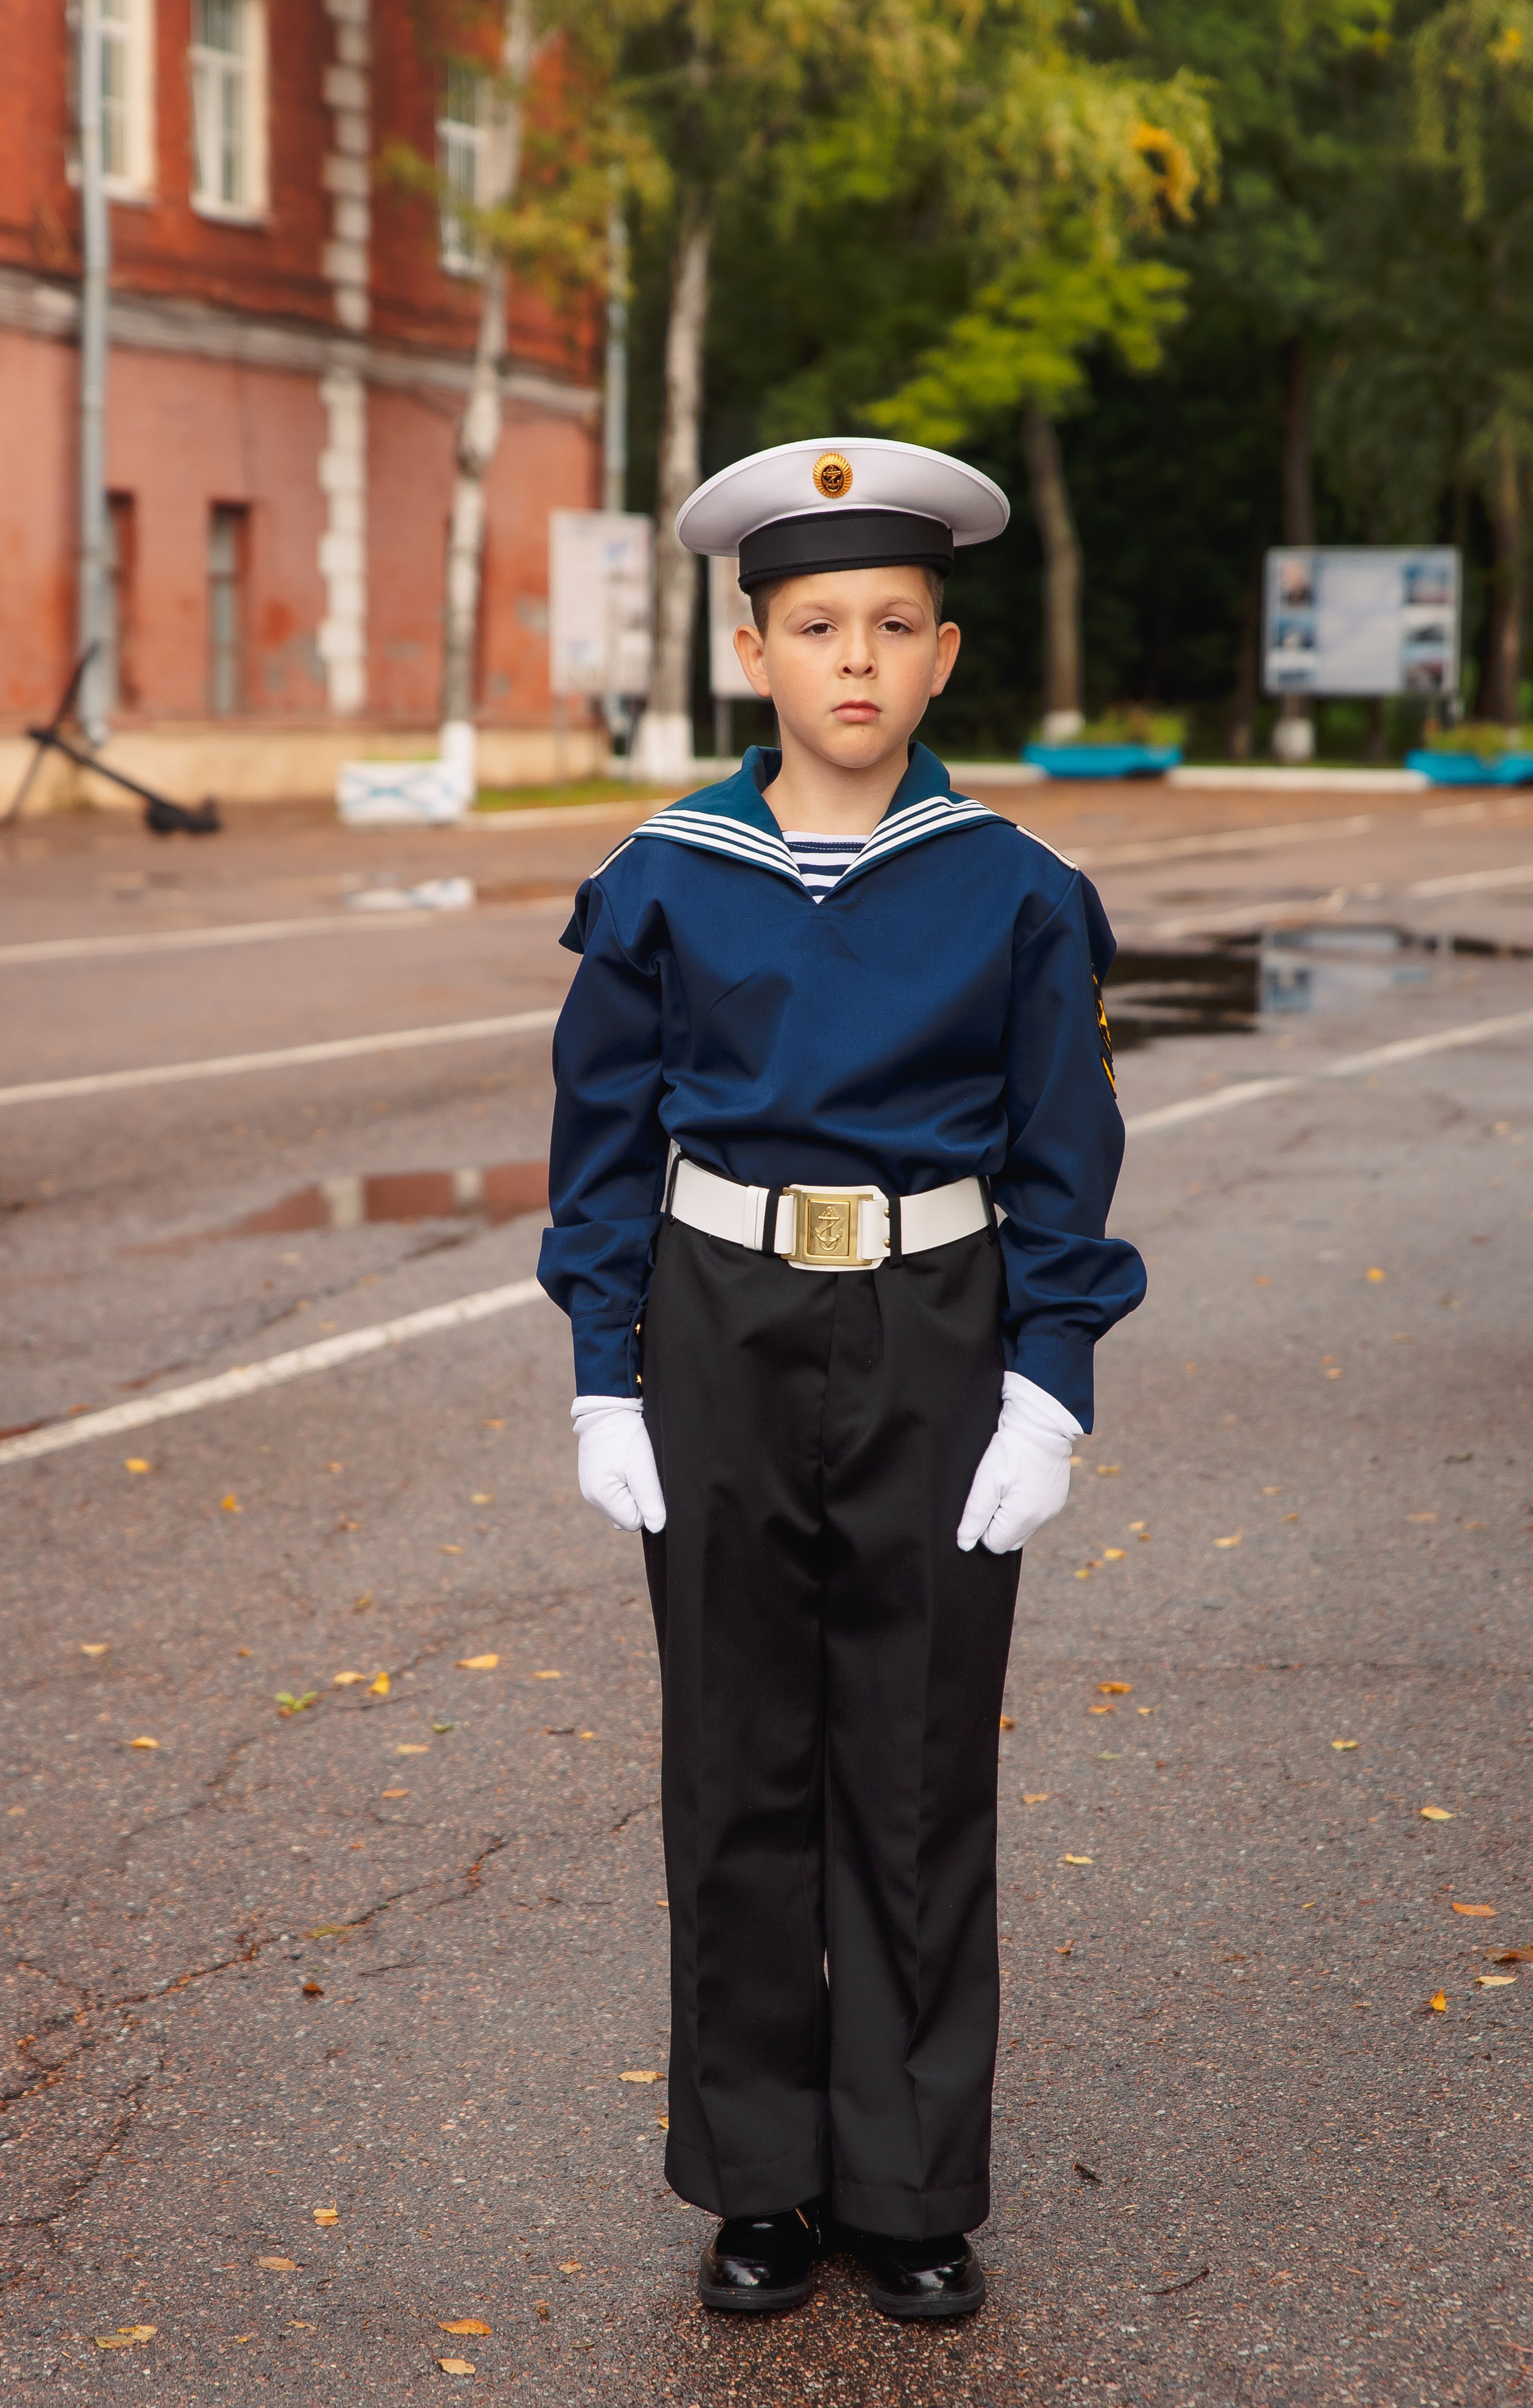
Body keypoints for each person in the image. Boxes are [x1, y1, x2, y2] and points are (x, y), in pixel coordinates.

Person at [538, 436, 1146, 2320]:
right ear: (754, 649)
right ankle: (759, 2179)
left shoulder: (1014, 888)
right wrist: (604, 1373)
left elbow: (1065, 1150)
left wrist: (1050, 1383)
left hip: (936, 1327)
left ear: (946, 659)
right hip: (716, 1320)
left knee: (910, 1765)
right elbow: (601, 1140)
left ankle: (904, 2182)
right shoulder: (665, 877)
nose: (857, 661)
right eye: (818, 626)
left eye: (895, 625)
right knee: (734, 1764)